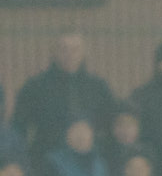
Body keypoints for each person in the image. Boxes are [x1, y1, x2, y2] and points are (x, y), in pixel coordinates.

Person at [13, 33, 116, 161]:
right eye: (64, 49)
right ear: (54, 52)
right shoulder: (35, 87)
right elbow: (19, 127)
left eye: (75, 49)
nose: (69, 55)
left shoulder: (98, 87)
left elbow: (112, 123)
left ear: (84, 52)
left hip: (91, 160)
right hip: (47, 159)